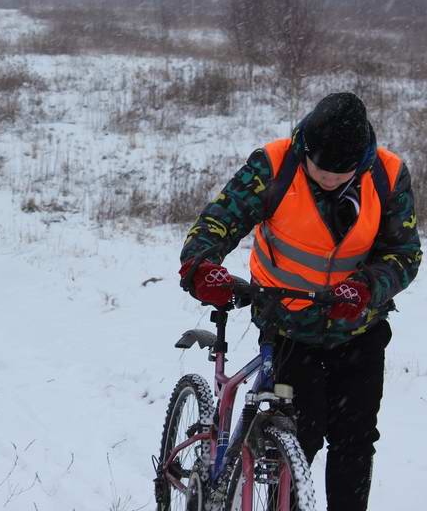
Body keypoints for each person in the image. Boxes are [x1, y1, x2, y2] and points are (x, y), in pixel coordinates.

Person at [178, 92, 421, 511]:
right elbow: (220, 219)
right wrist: (200, 265)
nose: (327, 178)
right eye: (319, 168)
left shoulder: (388, 174)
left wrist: (366, 289)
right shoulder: (273, 165)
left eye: (339, 172)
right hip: (287, 324)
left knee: (355, 441)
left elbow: (404, 254)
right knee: (296, 439)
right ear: (304, 146)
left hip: (357, 329)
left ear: (361, 160)